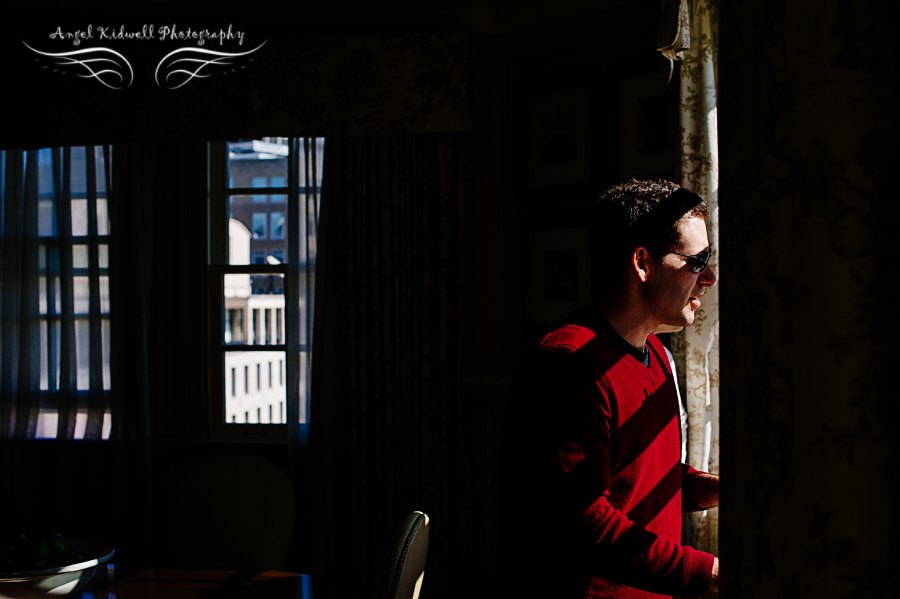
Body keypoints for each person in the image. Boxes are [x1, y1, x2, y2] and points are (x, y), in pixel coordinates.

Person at [499, 179, 720, 599]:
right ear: (642, 262)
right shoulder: (570, 363)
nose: (709, 277)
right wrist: (706, 572)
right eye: (698, 261)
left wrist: (697, 488)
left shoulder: (654, 353)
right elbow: (581, 520)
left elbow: (624, 477)